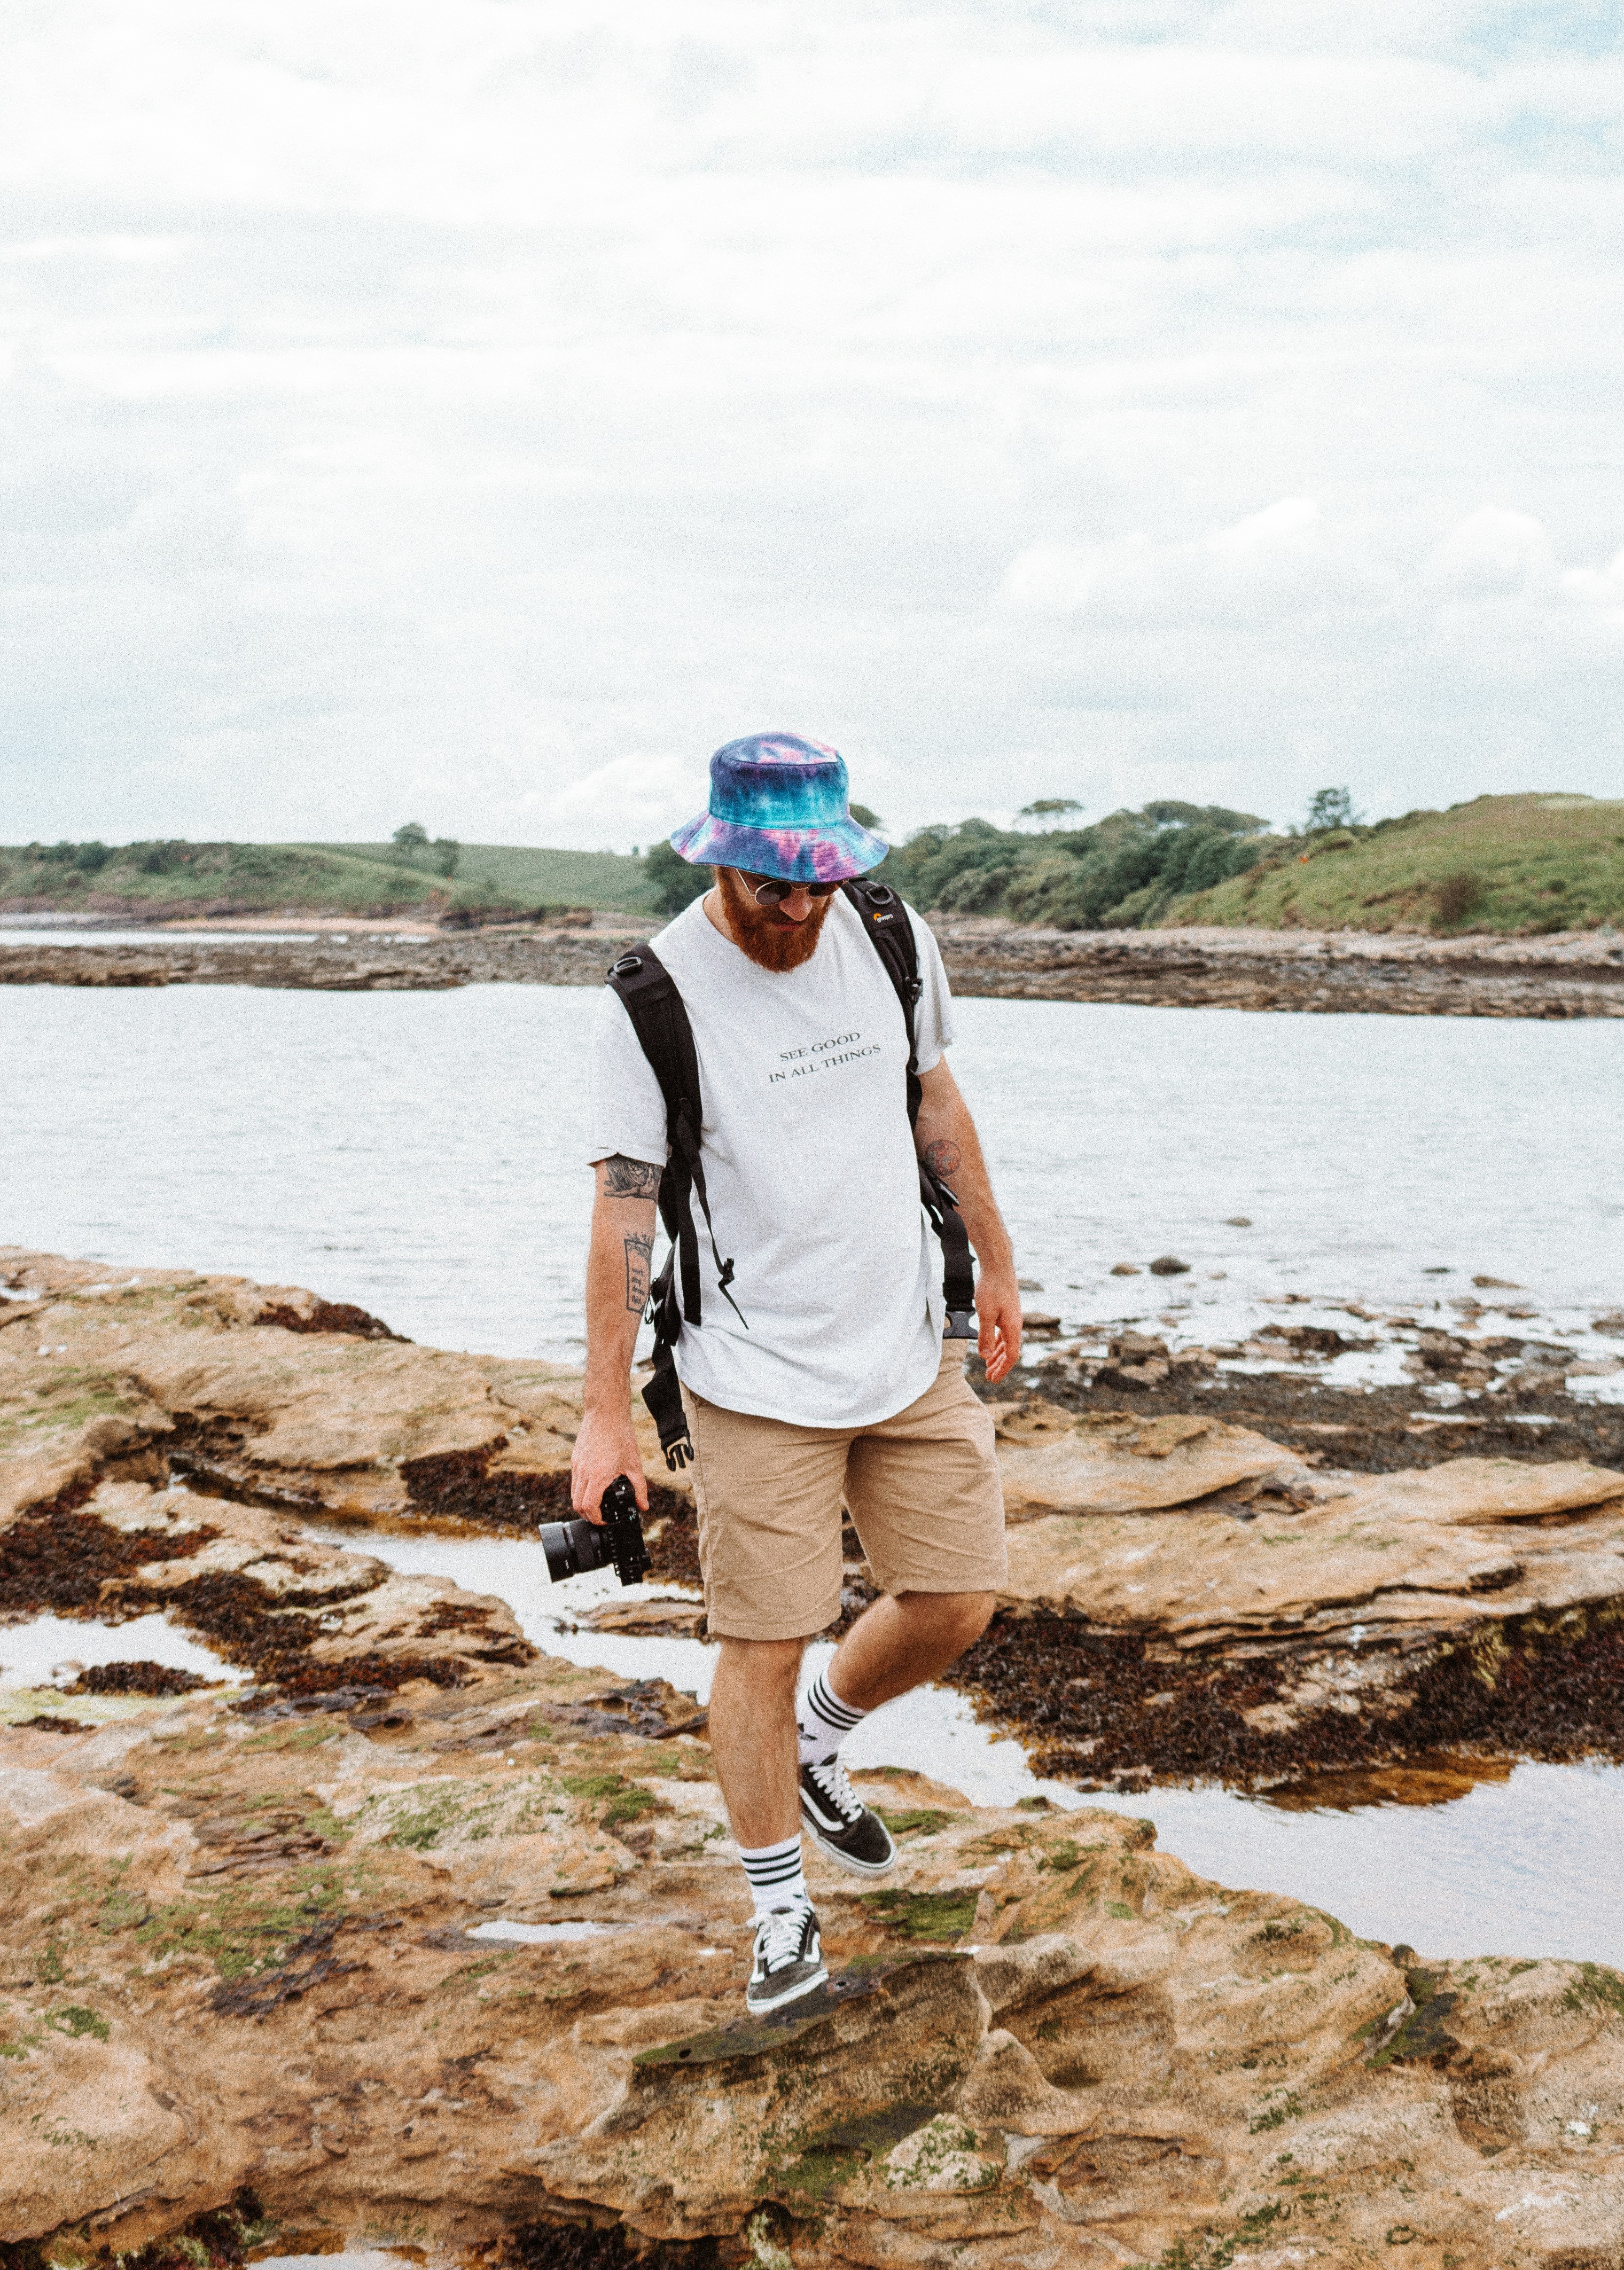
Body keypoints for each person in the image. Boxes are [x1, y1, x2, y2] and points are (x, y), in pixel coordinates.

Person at [570, 731, 1022, 2013]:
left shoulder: (885, 928)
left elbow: (935, 1102)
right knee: (762, 1643)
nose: (799, 909)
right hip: (753, 1372)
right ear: (719, 862)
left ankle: (822, 1737)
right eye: (774, 885)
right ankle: (780, 1916)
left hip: (906, 1340)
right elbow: (625, 1208)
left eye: (819, 880)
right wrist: (605, 1416)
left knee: (957, 1599)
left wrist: (995, 1260)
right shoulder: (653, 998)